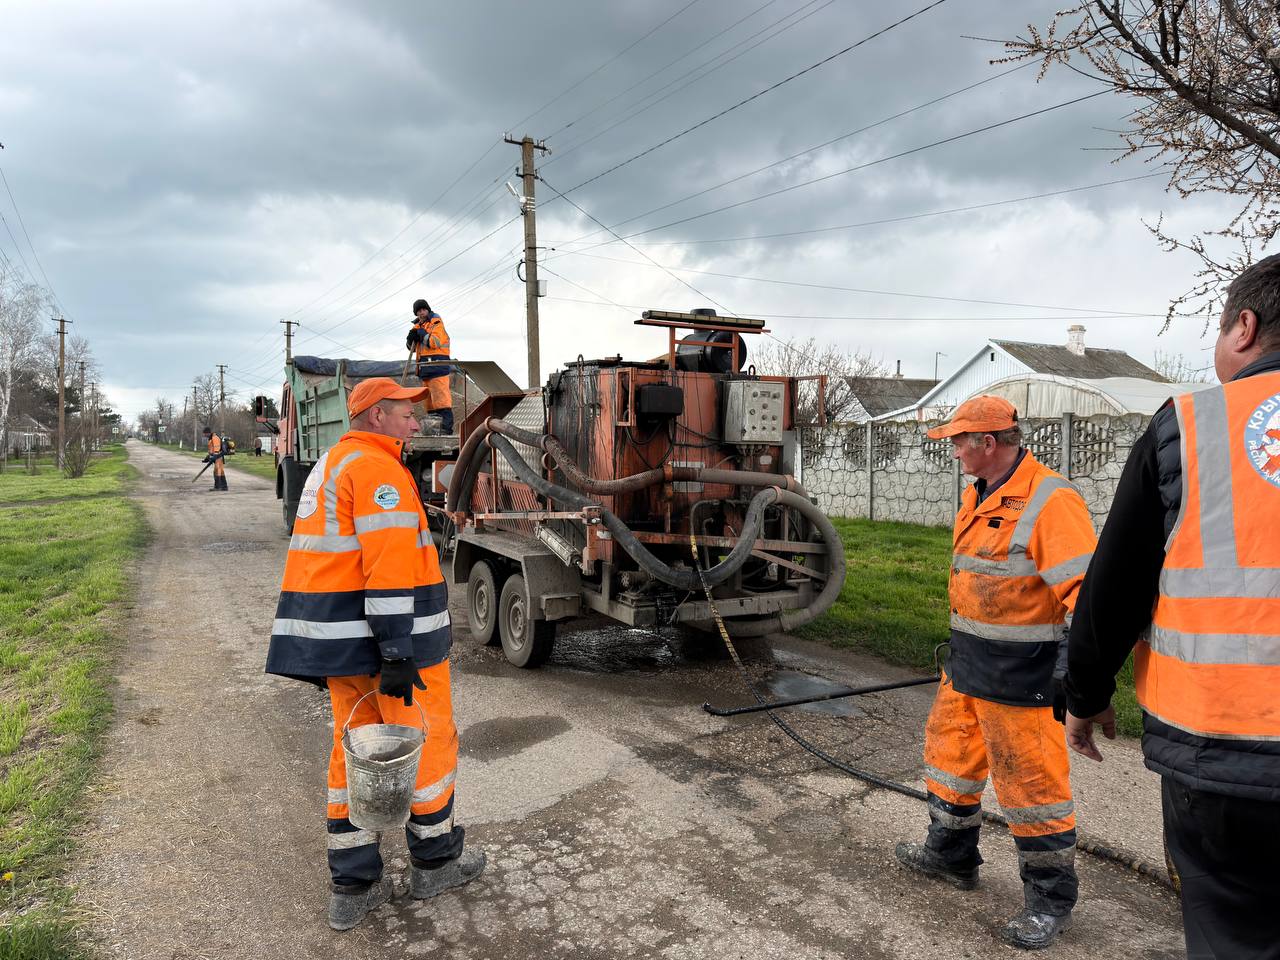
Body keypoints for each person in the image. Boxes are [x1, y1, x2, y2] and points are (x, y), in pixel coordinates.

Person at [1063, 255, 1280, 960]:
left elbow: (1116, 584)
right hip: (1218, 757)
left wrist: (1086, 693)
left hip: (1221, 751)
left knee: (1232, 936)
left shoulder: (1188, 426)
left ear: (1244, 327)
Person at [265, 377, 484, 931]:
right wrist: (396, 652)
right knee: (428, 746)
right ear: (376, 416)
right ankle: (436, 864)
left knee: (354, 753)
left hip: (344, 647)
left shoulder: (334, 463)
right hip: (392, 647)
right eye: (406, 412)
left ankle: (353, 886)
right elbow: (387, 570)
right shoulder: (377, 471)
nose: (416, 420)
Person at [894, 396, 1096, 950]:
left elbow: (1087, 597)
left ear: (988, 442)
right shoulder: (978, 493)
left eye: (960, 441)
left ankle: (1049, 902)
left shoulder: (1051, 500)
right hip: (967, 666)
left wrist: (1070, 671)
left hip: (1021, 679)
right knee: (950, 762)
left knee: (1033, 791)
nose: (954, 451)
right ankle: (951, 856)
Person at [405, 298, 453, 435]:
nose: (421, 312)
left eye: (423, 309)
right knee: (430, 404)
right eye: (419, 311)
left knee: (442, 401)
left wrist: (421, 334)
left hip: (438, 367)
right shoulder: (418, 326)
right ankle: (433, 430)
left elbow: (434, 342)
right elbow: (412, 348)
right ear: (416, 313)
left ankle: (446, 429)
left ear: (428, 310)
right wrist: (410, 339)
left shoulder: (436, 323)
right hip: (425, 370)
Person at [202, 427, 228, 491]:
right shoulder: (211, 438)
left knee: (217, 471)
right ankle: (224, 486)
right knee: (220, 471)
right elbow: (212, 450)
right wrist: (208, 457)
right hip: (217, 457)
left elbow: (216, 449)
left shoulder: (214, 438)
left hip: (218, 457)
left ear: (208, 433)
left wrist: (214, 456)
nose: (204, 435)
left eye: (204, 434)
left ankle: (218, 487)